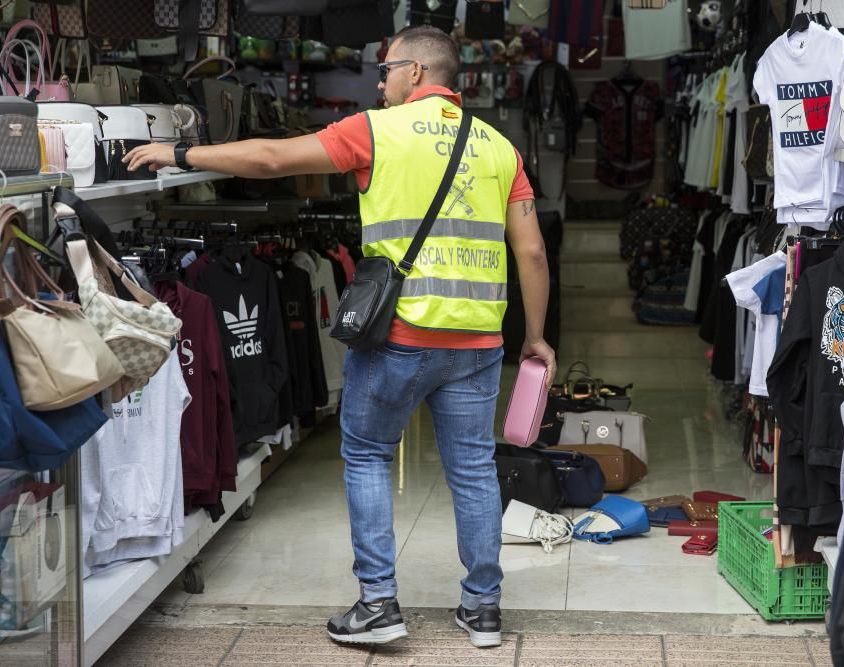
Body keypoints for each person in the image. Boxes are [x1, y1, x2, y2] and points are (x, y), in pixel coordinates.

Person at [124, 25, 556, 650]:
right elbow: (533, 252)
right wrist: (536, 336)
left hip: (397, 339)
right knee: (472, 471)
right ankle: (483, 609)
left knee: (367, 456)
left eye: (384, 71)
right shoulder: (499, 148)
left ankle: (379, 604)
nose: (377, 84)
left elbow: (275, 160)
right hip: (478, 345)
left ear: (414, 72)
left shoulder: (374, 132)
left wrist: (185, 155)